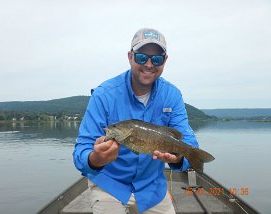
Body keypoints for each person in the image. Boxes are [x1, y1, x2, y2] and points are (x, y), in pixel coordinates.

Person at [73, 28, 199, 214]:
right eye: (142, 57)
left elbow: (188, 142)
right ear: (130, 56)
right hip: (109, 184)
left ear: (165, 61)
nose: (149, 64)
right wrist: (96, 159)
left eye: (156, 59)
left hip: (152, 188)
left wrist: (179, 156)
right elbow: (81, 150)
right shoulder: (103, 95)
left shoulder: (172, 95)